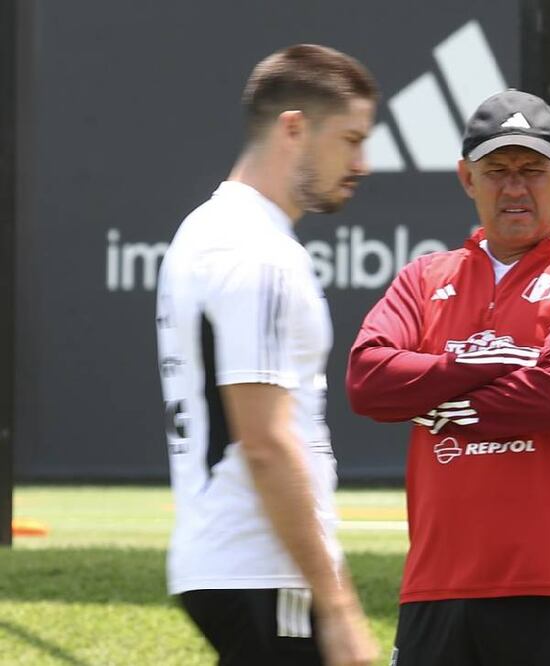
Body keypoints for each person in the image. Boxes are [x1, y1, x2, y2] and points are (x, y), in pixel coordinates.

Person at [345, 89, 550, 666]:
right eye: (496, 171)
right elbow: (367, 381)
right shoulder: (421, 279)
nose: (514, 187)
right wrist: (468, 366)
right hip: (436, 584)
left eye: (532, 170)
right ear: (465, 177)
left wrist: (429, 390)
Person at [155, 44, 381, 666]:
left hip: (226, 563)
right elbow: (265, 440)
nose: (361, 162)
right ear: (293, 128)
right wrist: (337, 605)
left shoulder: (206, 231)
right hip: (263, 570)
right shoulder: (258, 252)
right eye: (351, 139)